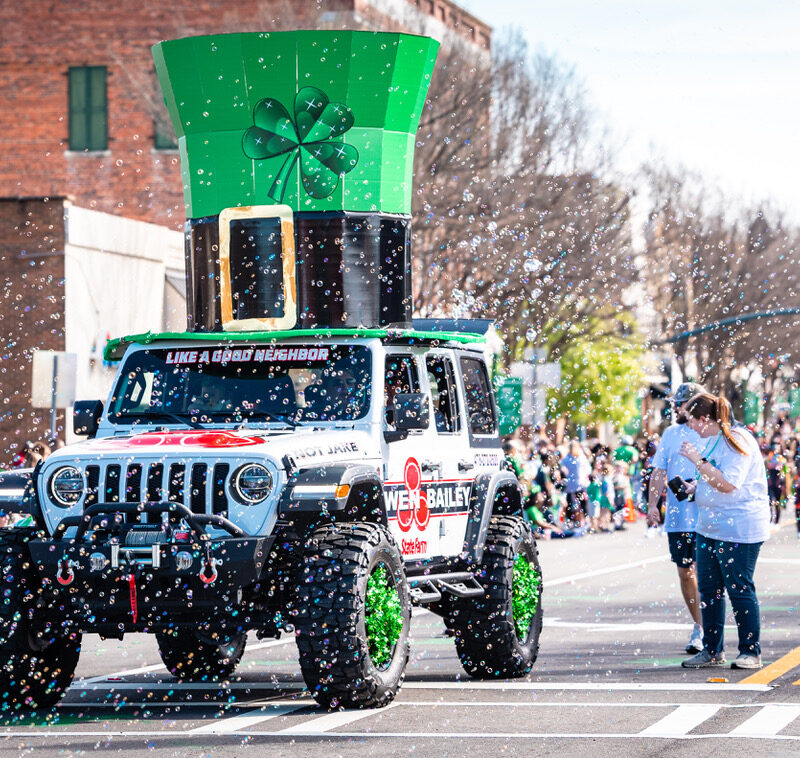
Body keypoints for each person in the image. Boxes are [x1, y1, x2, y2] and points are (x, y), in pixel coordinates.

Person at [679, 392, 770, 670]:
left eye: (692, 420)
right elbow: (712, 479)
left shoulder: (738, 440)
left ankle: (750, 652)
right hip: (709, 527)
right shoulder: (712, 440)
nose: (690, 426)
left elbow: (729, 484)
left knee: (739, 588)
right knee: (709, 590)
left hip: (739, 528)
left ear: (705, 419)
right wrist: (696, 488)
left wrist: (698, 462)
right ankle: (712, 650)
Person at [647, 382, 706, 654]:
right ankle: (700, 627)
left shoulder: (710, 432)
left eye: (683, 403)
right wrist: (652, 507)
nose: (678, 408)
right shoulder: (670, 434)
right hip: (678, 517)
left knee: (709, 575)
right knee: (686, 572)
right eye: (677, 403)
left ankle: (709, 629)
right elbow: (659, 472)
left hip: (708, 515)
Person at [561, 441, 591, 526]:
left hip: (576, 484)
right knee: (575, 504)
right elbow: (588, 470)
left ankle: (580, 521)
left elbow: (588, 469)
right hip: (574, 484)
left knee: (577, 504)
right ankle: (576, 521)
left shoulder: (577, 458)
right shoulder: (572, 458)